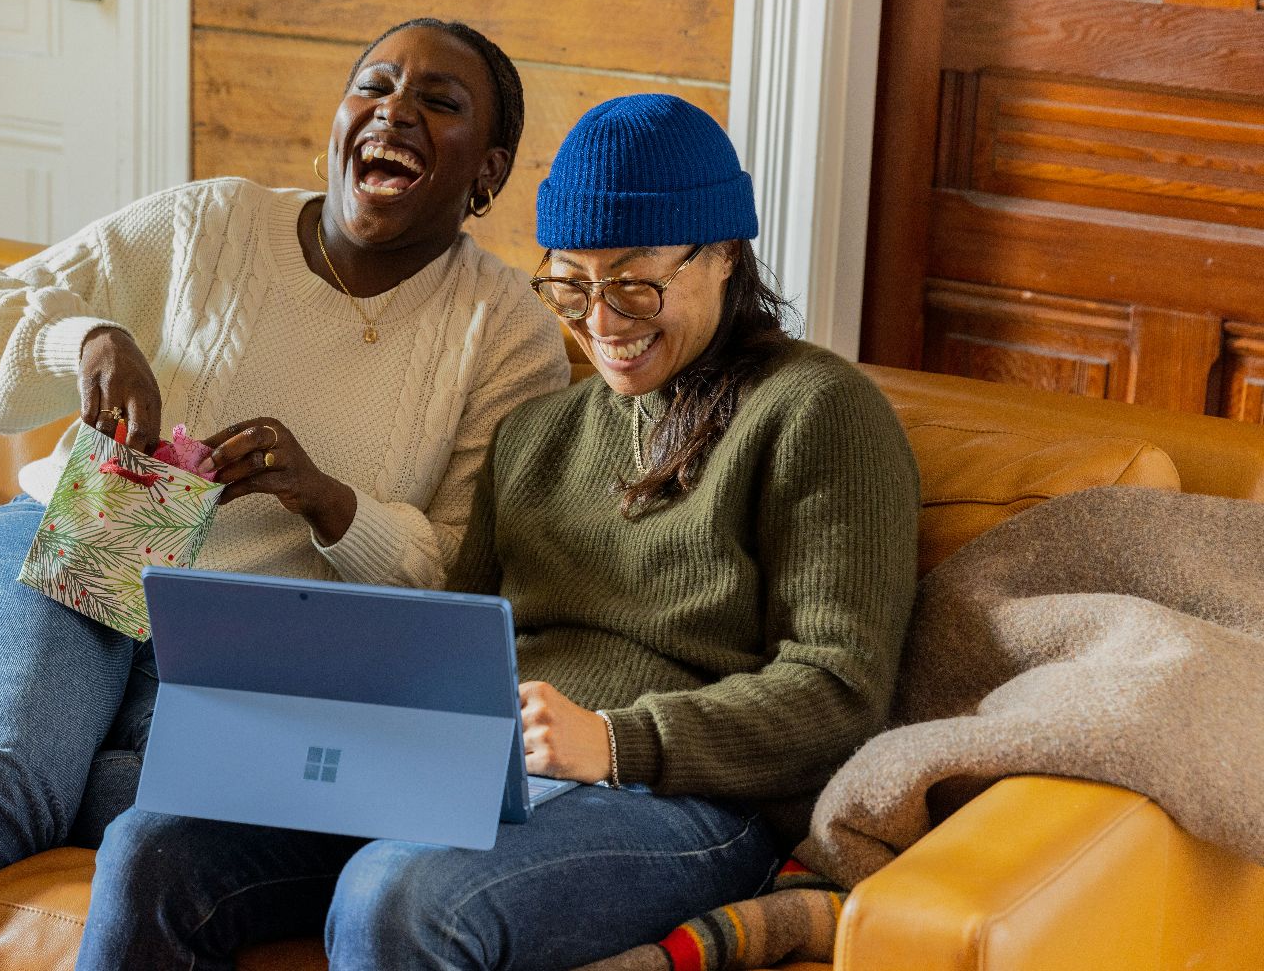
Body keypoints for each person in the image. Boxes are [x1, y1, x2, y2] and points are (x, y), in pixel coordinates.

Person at [0, 19, 571, 971]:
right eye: (374, 85)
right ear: (339, 122)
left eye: (439, 103)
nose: (395, 111)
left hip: (245, 653)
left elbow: (468, 575)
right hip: (61, 552)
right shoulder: (212, 225)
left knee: (205, 806)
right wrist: (85, 341)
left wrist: (331, 503)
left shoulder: (511, 337)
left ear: (487, 173)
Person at [77, 94, 922, 970]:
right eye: (571, 286)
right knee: (155, 846)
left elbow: (839, 690)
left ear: (722, 257)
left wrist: (621, 740)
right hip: (480, 772)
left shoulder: (818, 412)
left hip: (690, 797)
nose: (601, 325)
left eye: (634, 286)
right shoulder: (537, 435)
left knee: (398, 896)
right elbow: (455, 640)